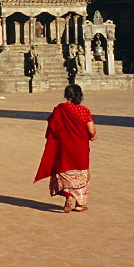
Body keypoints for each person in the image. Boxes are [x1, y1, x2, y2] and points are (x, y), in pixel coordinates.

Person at [34, 84, 96, 213]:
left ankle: (68, 198)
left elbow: (52, 128)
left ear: (66, 95)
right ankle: (79, 204)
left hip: (64, 147)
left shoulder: (59, 109)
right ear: (80, 96)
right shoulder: (85, 111)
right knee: (81, 174)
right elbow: (91, 129)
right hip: (81, 147)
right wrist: (93, 135)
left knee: (66, 172)